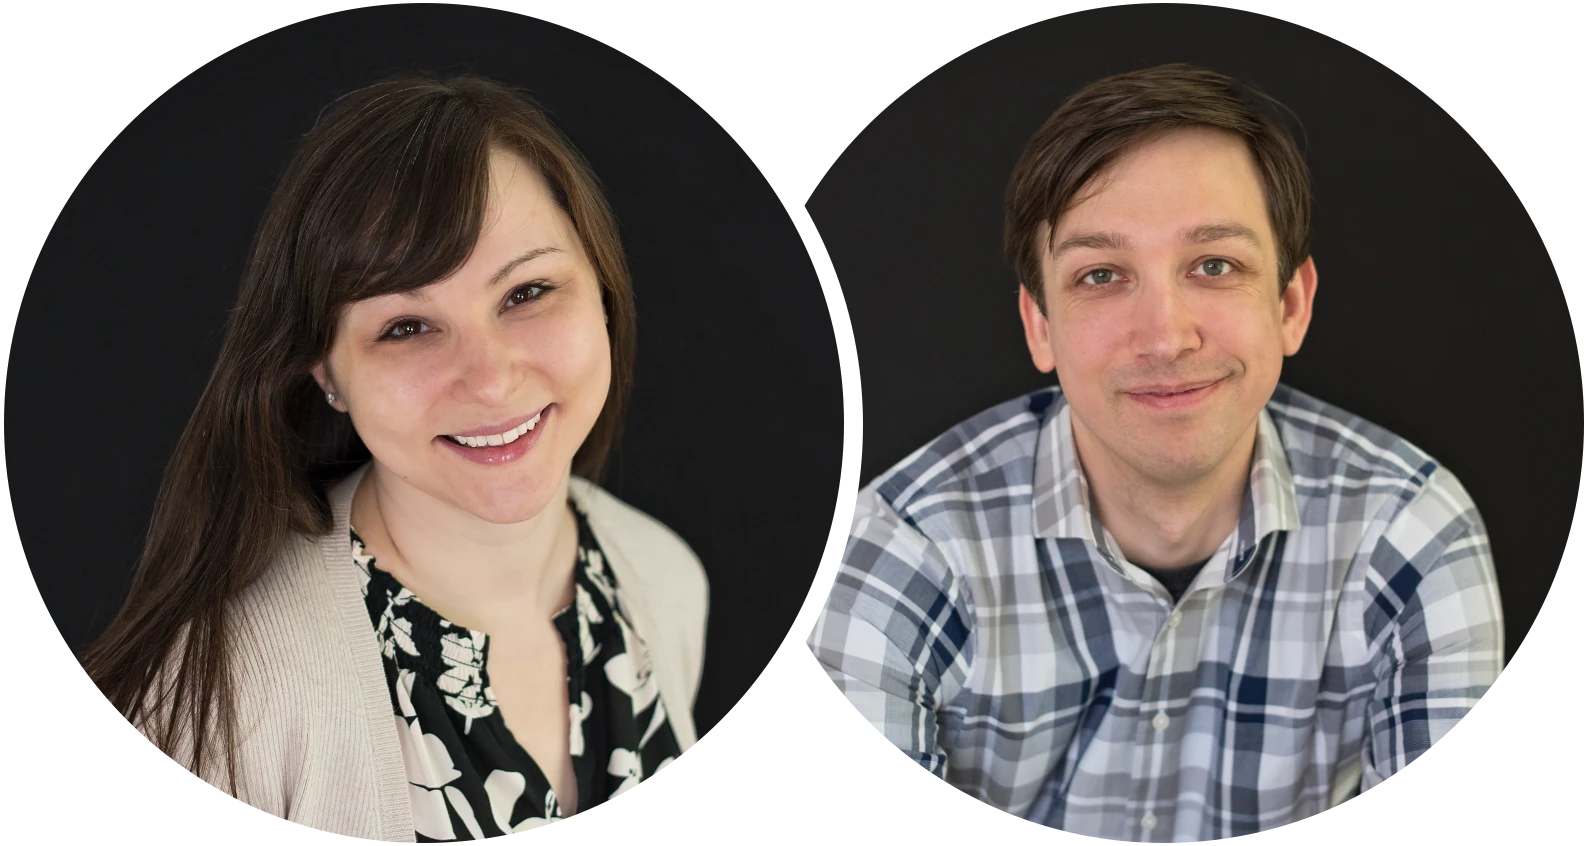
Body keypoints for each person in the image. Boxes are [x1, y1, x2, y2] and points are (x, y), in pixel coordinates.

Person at [805, 63, 1502, 842]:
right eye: (1100, 275)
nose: (1166, 336)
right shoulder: (903, 547)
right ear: (1040, 327)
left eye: (1214, 266)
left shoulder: (1410, 532)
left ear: (1290, 307)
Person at [75, 74, 708, 841]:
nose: (491, 377)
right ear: (326, 371)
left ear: (602, 292)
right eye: (406, 327)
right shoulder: (226, 696)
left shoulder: (663, 582)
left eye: (527, 291)